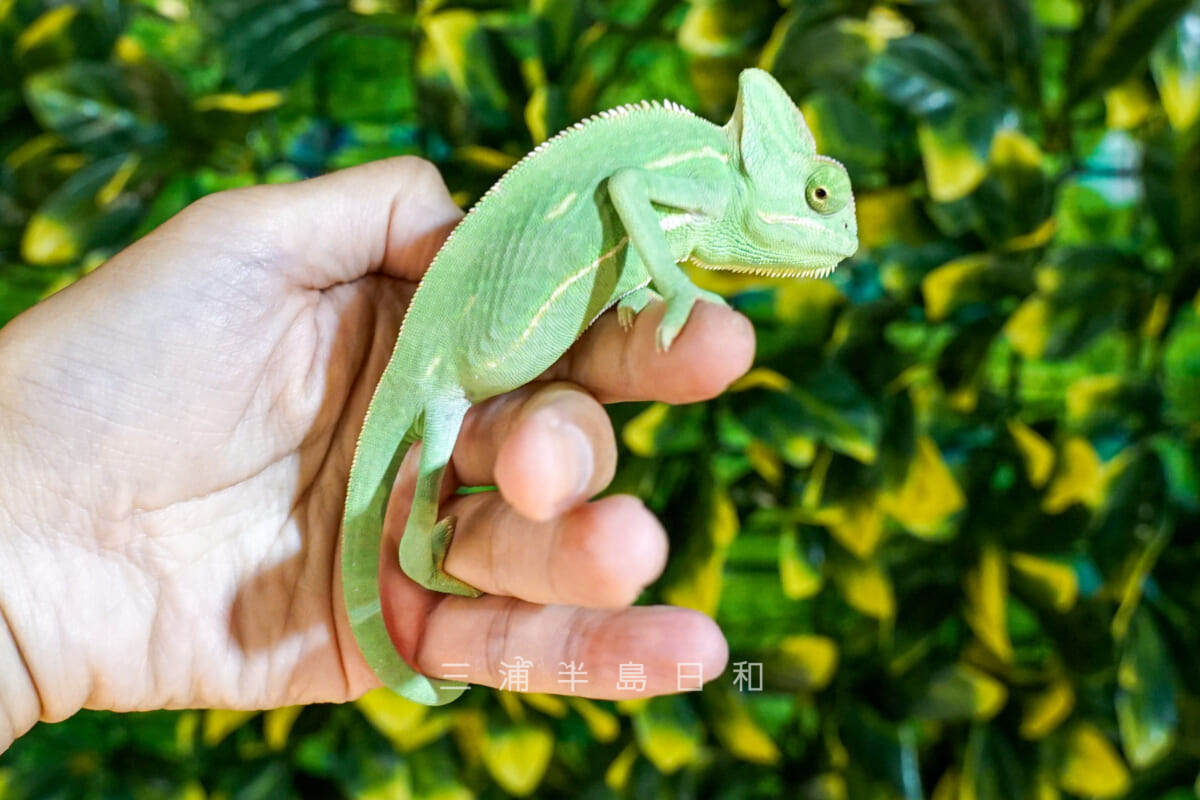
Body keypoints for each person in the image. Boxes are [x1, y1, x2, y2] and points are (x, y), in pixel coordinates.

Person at [0, 156, 755, 752]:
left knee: (451, 456)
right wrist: (673, 284)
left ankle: (426, 556)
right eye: (818, 197)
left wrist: (22, 615)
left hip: (467, 356)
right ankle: (426, 558)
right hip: (448, 353)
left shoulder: (691, 184)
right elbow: (624, 187)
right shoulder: (707, 171)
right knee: (433, 451)